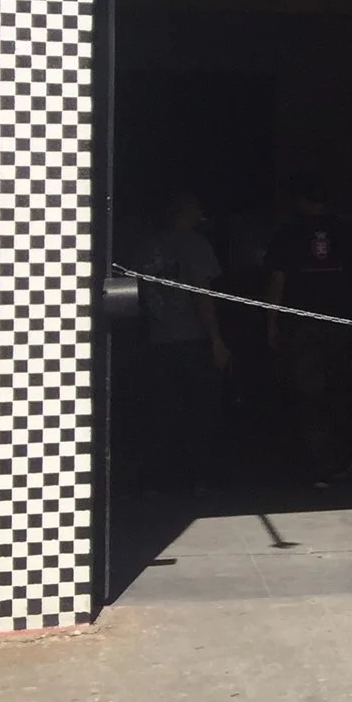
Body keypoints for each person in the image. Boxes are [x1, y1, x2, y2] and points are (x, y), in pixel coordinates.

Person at [263, 172, 352, 484]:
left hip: (302, 325)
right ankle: (344, 462)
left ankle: (320, 466)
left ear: (301, 200)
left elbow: (277, 282)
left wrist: (272, 322)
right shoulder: (349, 231)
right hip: (344, 323)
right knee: (344, 393)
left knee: (311, 397)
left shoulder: (287, 233)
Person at [135, 190, 230, 491]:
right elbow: (203, 295)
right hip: (191, 339)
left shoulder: (146, 247)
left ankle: (164, 476)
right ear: (185, 213)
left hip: (156, 337)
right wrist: (217, 339)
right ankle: (198, 477)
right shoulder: (195, 245)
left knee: (164, 410)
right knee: (201, 409)